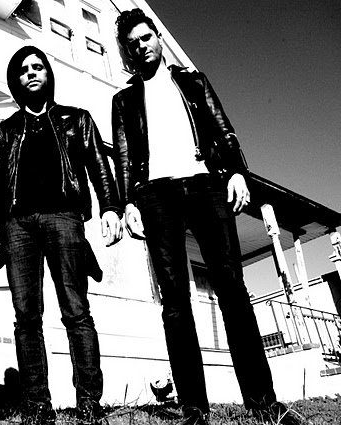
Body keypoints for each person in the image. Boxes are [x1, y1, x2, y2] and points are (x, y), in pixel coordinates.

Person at [112, 9, 306, 425]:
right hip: (156, 196)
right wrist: (129, 203)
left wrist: (237, 171)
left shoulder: (192, 82)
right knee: (174, 302)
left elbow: (223, 128)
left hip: (206, 186)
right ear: (127, 51)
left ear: (158, 38)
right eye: (133, 43)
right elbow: (125, 156)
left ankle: (263, 402)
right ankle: (194, 409)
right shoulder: (124, 100)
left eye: (146, 37)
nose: (142, 46)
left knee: (232, 289)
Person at [0, 46, 122, 425]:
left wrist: (111, 207)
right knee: (26, 317)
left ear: (48, 74)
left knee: (76, 311)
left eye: (38, 66)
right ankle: (38, 406)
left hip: (65, 218)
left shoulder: (77, 119)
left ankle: (89, 402)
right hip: (18, 226)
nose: (31, 73)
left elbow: (99, 165)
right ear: (16, 81)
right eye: (23, 69)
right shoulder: (5, 130)